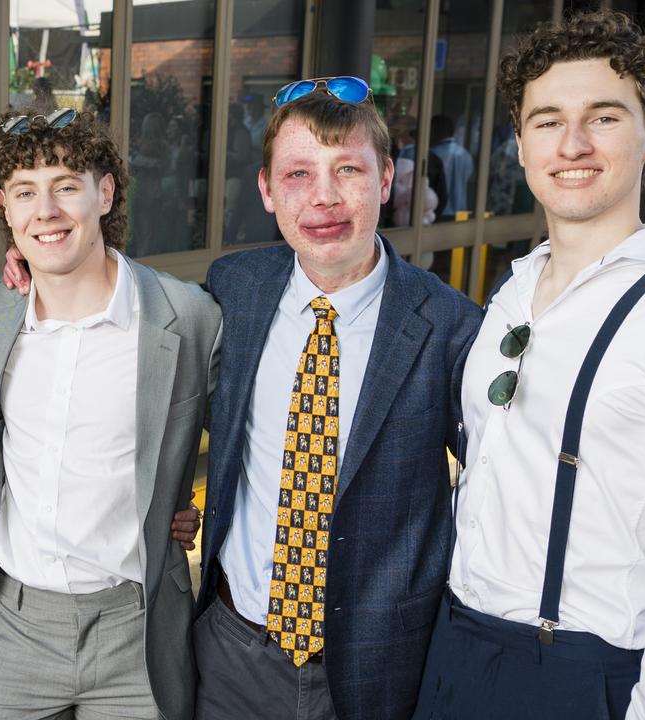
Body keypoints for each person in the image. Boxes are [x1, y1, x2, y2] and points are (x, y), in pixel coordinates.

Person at [413, 11, 645, 720]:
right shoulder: (511, 291)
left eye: (603, 117)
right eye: (547, 121)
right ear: (520, 142)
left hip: (580, 674)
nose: (572, 144)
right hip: (455, 651)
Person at [191, 79, 481, 720]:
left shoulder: (451, 325)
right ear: (266, 191)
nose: (323, 197)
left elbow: (506, 486)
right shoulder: (234, 287)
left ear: (386, 181)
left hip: (377, 669)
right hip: (232, 654)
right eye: (297, 173)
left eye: (348, 169)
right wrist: (32, 263)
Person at [0, 108, 218, 719]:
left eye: (66, 187)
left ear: (104, 193)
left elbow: (246, 445)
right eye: (26, 192)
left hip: (136, 627)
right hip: (13, 626)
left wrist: (178, 511)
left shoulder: (188, 318)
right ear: (6, 206)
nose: (45, 210)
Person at [428, 114, 473, 220]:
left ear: (434, 131)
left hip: (438, 212)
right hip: (461, 212)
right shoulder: (465, 154)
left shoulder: (432, 154)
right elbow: (468, 178)